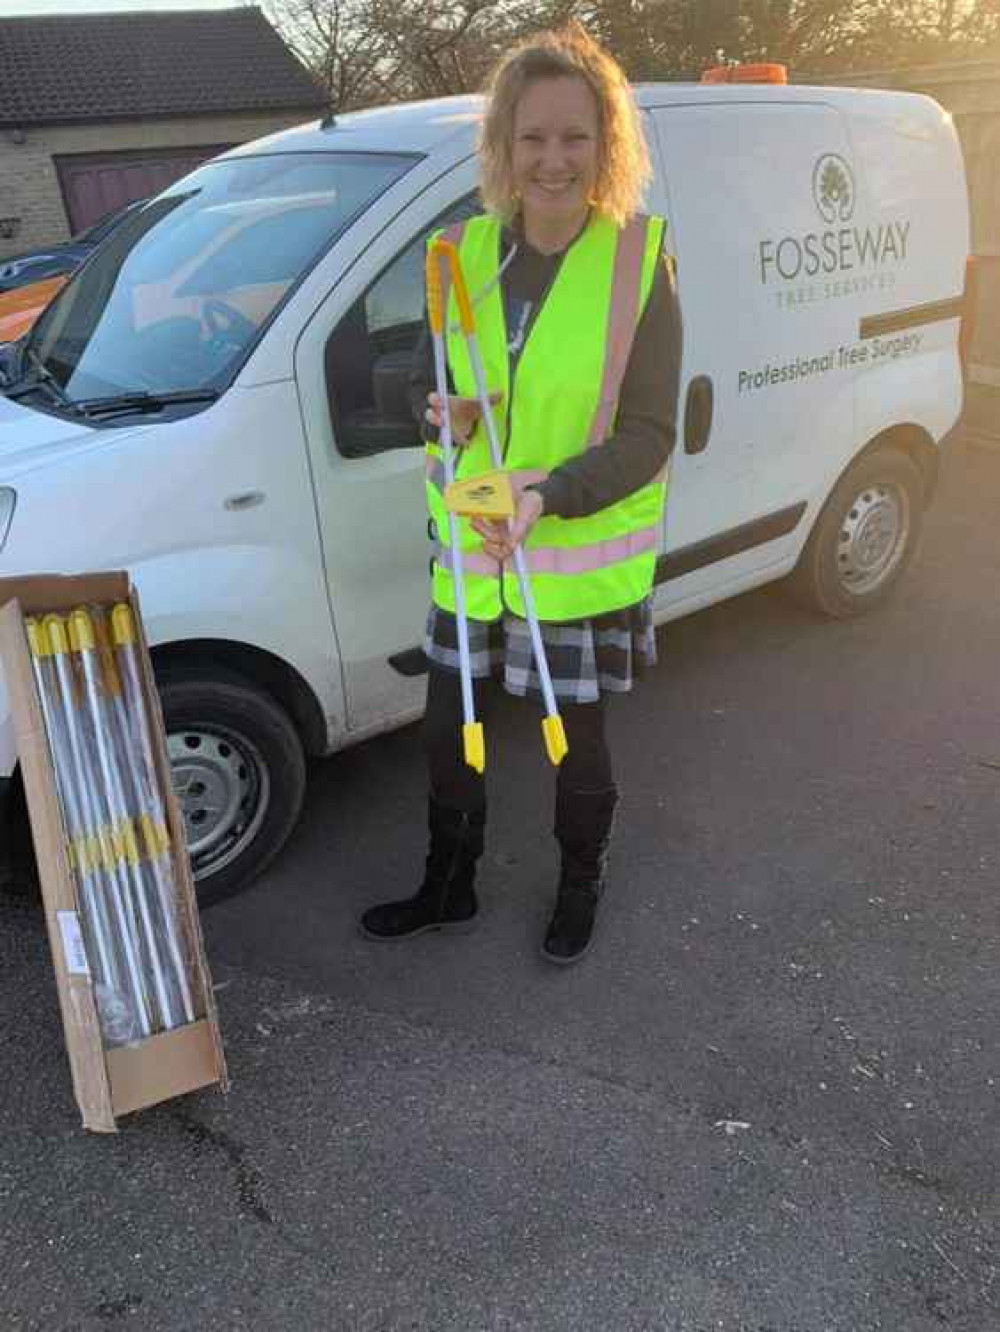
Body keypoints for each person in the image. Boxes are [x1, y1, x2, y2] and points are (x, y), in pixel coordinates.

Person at [360, 23, 682, 963]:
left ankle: (579, 882)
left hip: (568, 562)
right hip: (471, 556)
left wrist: (551, 495)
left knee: (572, 747)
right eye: (532, 138)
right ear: (502, 146)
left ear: (606, 144)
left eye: (575, 137)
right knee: (446, 735)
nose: (553, 159)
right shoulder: (457, 256)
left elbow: (652, 434)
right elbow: (421, 388)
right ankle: (447, 885)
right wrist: (438, 413)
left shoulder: (637, 262)